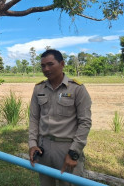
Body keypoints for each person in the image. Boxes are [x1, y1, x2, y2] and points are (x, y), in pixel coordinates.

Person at [28, 49, 92, 186]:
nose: (46, 69)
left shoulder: (77, 89)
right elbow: (34, 118)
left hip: (67, 148)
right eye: (43, 66)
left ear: (62, 64)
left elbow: (85, 122)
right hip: (43, 148)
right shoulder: (39, 89)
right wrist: (33, 144)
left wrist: (74, 152)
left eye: (50, 64)